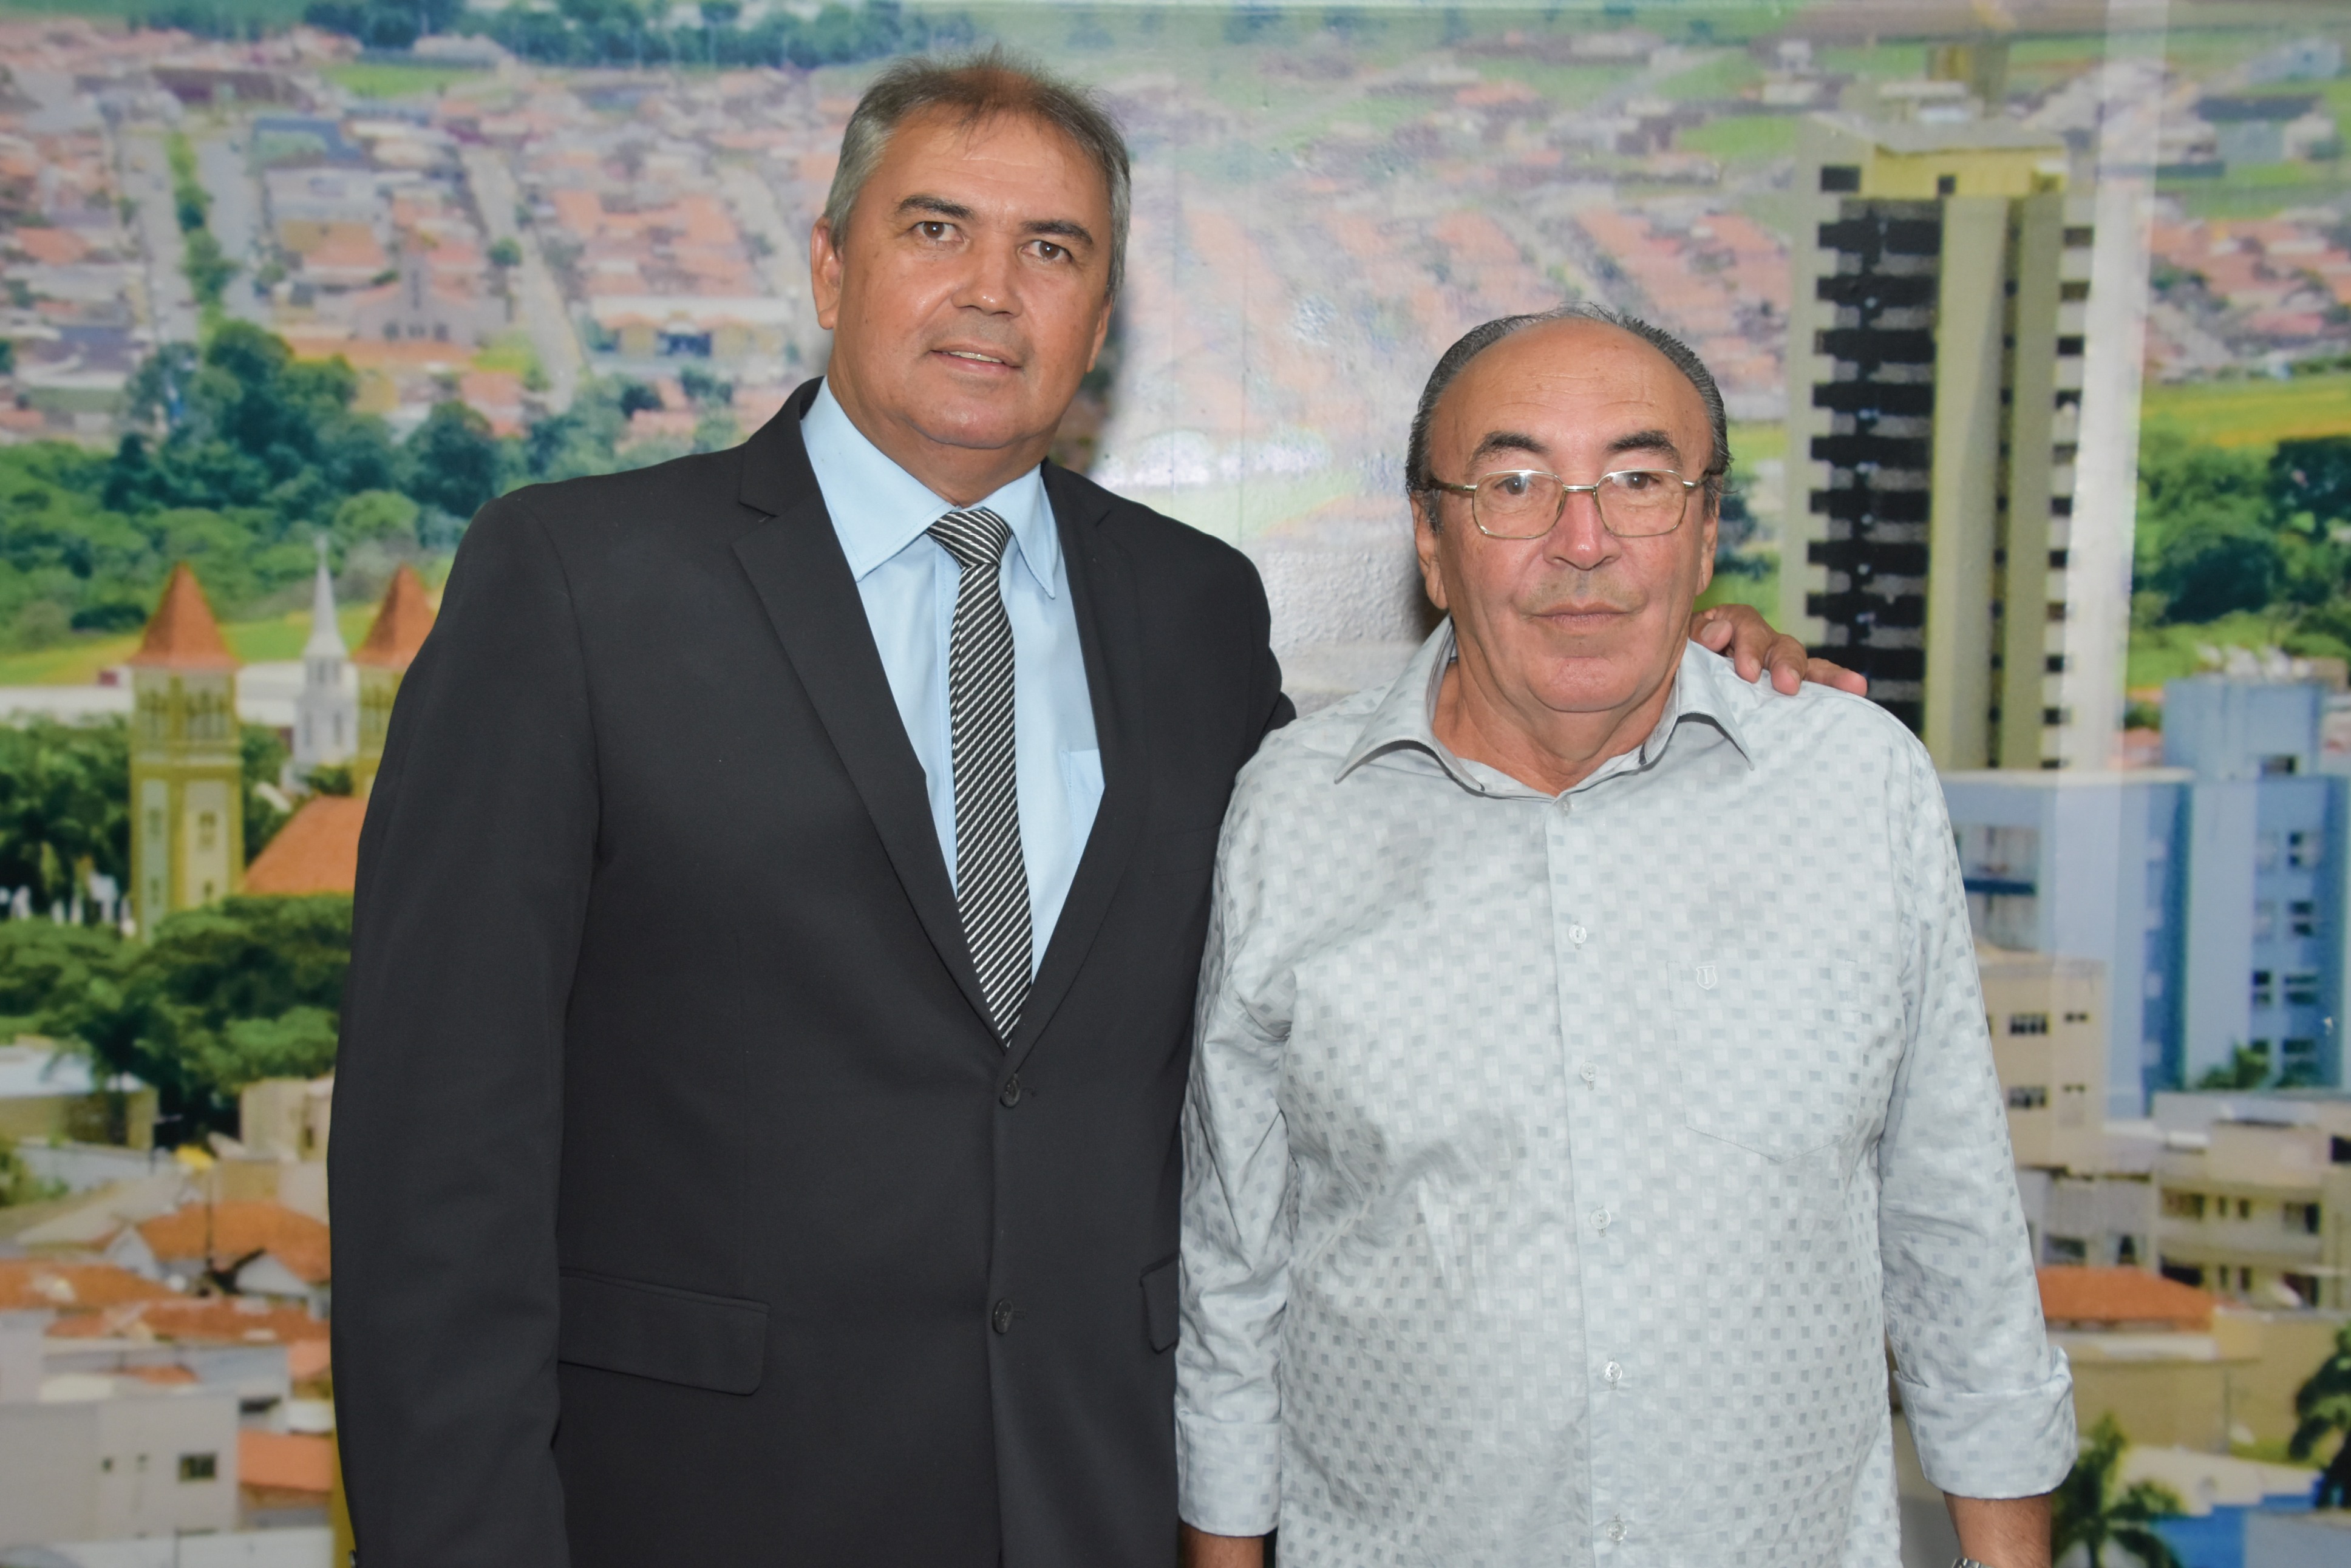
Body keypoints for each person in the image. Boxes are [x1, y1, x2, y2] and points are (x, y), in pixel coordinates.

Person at [331, 55, 1848, 1568]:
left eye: (1052, 249)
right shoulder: (577, 581)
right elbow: (434, 1158)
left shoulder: (1191, 606)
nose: (993, 291)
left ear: (1102, 317)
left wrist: (1644, 677)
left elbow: (1366, 908)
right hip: (701, 1506)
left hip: (1106, 1494)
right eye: (936, 229)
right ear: (831, 263)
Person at [1176, 306, 2074, 1568]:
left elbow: (1956, 1232)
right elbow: (1234, 1270)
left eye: (1640, 482)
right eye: (1514, 485)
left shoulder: (1854, 784)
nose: (1583, 541)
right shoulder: (1294, 809)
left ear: (1705, 531)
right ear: (1431, 538)